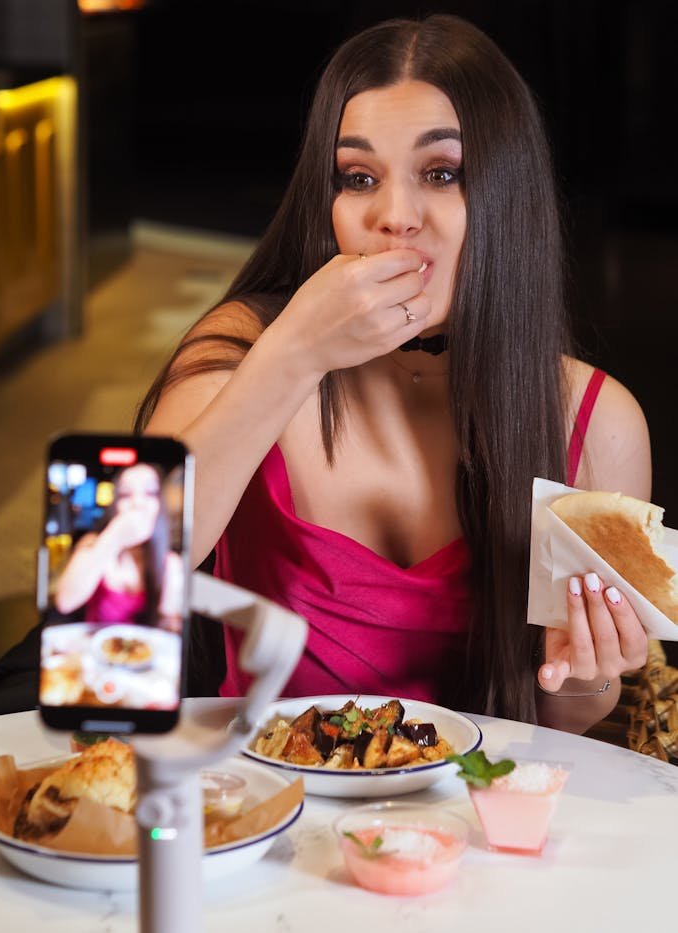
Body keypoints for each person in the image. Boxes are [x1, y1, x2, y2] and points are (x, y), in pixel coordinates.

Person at [136, 14, 650, 733]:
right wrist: (293, 355)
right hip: (262, 818)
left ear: (508, 198)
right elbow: (119, 573)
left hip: (466, 828)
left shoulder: (596, 421)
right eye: (359, 177)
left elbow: (562, 730)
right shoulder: (246, 349)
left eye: (441, 174)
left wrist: (588, 670)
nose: (394, 215)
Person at [54, 463, 184, 632]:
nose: (138, 503)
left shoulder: (170, 563)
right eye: (125, 494)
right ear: (115, 504)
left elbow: (172, 631)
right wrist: (113, 538)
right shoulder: (93, 543)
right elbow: (65, 602)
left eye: (150, 493)